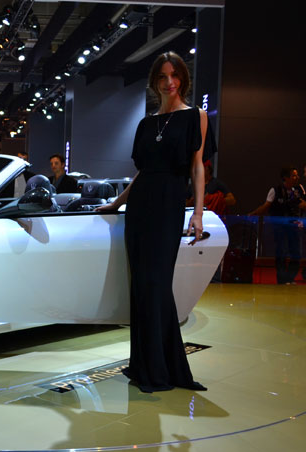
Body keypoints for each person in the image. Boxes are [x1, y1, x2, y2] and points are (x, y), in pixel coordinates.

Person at [96, 51, 215, 393]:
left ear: (182, 79)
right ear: (154, 82)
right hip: (141, 207)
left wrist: (197, 212)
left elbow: (197, 166)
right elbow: (143, 172)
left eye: (174, 75)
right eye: (162, 77)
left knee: (157, 285)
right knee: (142, 287)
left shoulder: (196, 116)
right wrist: (117, 202)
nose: (169, 83)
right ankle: (147, 367)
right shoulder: (147, 124)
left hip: (168, 205)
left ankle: (166, 369)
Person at [249, 167, 306, 284]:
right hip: (280, 228)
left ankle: (290, 278)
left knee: (296, 254)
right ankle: (282, 280)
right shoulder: (275, 190)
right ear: (286, 178)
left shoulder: (299, 189)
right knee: (281, 253)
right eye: (294, 175)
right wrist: (253, 214)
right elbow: (266, 206)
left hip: (295, 227)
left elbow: (304, 204)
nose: (297, 177)